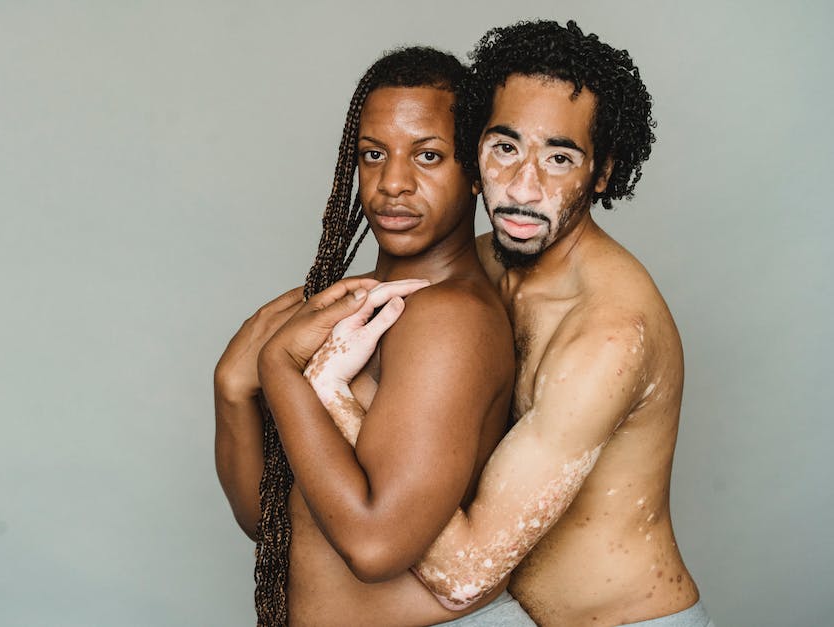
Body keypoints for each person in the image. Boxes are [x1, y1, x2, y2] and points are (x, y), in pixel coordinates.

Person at [277, 20, 713, 627]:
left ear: (604, 172)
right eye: (505, 147)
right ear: (474, 151)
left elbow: (465, 575)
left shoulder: (608, 335)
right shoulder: (481, 263)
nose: (521, 187)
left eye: (559, 157)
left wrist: (327, 392)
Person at [215, 47, 534, 625]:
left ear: (475, 174)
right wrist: (232, 390)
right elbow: (275, 523)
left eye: (429, 156)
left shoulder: (449, 319)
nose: (392, 183)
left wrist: (281, 369)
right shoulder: (348, 310)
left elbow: (375, 547)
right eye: (372, 154)